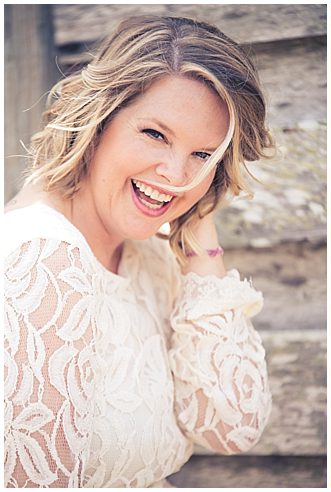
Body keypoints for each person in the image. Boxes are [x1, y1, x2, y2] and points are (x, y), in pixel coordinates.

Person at [3, 16, 275, 487]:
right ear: (100, 119)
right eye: (155, 134)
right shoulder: (43, 258)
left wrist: (200, 235)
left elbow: (234, 427)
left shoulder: (154, 258)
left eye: (203, 154)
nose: (176, 173)